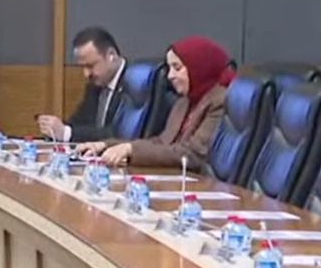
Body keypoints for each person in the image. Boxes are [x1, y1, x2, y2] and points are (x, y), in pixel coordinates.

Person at [79, 36, 235, 169]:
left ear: (199, 67)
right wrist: (106, 145)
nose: (170, 76)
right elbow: (161, 142)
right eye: (170, 68)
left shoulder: (219, 101)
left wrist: (131, 150)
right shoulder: (184, 102)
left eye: (177, 68)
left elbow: (192, 155)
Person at [36, 27, 128, 142]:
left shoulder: (136, 85)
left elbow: (121, 133)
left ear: (111, 55)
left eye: (90, 66)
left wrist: (67, 133)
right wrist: (55, 131)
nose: (86, 74)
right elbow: (78, 123)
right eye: (83, 67)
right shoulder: (94, 86)